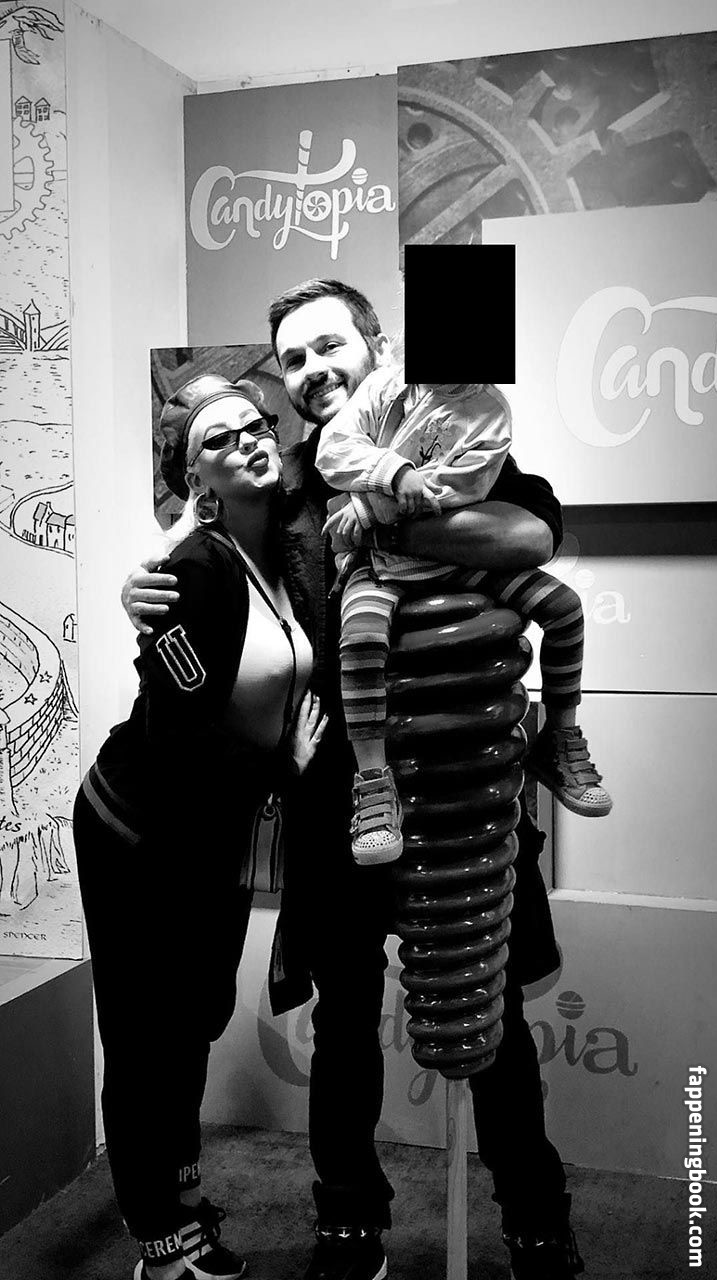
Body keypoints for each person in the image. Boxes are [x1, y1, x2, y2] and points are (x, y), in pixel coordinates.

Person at [123, 280, 585, 1280]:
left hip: (464, 795)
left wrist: (389, 521)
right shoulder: (287, 482)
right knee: (343, 1023)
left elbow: (532, 531)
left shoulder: (447, 435)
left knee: (494, 1011)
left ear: (377, 344)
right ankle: (348, 1221)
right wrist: (145, 583)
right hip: (341, 804)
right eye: (293, 359)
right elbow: (205, 549)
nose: (312, 371)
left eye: (330, 345)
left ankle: (538, 1219)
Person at [75, 374, 326, 1280]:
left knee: (194, 1020)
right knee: (147, 1034)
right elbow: (178, 734)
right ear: (196, 481)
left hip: (214, 835)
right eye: (219, 439)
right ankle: (158, 1239)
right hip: (138, 831)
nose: (249, 439)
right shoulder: (197, 568)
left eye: (257, 425)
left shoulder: (284, 557)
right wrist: (281, 766)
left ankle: (181, 1197)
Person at [314, 358, 612, 863]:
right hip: (381, 567)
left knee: (564, 608)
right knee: (361, 638)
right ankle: (373, 779)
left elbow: (461, 488)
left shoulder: (488, 410)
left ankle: (560, 736)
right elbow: (334, 449)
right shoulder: (386, 386)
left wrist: (368, 508)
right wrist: (393, 472)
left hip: (455, 561)